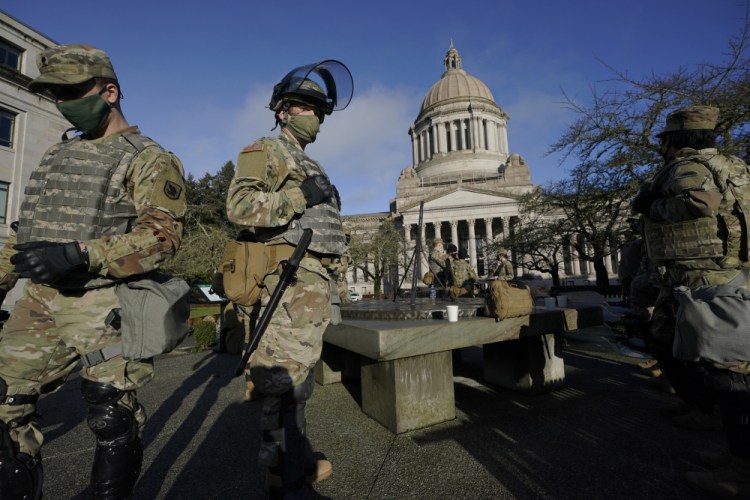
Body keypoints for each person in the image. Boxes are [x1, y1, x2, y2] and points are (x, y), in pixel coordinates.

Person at [0, 45, 186, 499]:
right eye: (54, 95)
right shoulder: (57, 157)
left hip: (105, 303)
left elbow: (162, 236)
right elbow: (21, 239)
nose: (63, 103)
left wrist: (82, 254)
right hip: (39, 301)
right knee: (5, 406)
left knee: (111, 415)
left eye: (71, 92)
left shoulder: (148, 157)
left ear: (110, 91)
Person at [226, 60, 353, 499]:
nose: (316, 116)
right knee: (285, 387)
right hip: (289, 283)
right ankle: (285, 476)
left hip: (312, 286)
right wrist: (301, 195)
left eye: (320, 110)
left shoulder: (310, 161)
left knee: (296, 384)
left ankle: (288, 465)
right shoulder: (266, 150)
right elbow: (240, 208)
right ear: (284, 111)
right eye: (307, 107)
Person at [632, 105, 750, 498]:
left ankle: (742, 469)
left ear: (675, 140)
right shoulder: (734, 165)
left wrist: (652, 206)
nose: (661, 148)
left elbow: (700, 203)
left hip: (708, 277)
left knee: (729, 371)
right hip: (719, 275)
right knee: (679, 346)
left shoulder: (690, 168)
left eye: (664, 141)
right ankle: (708, 417)